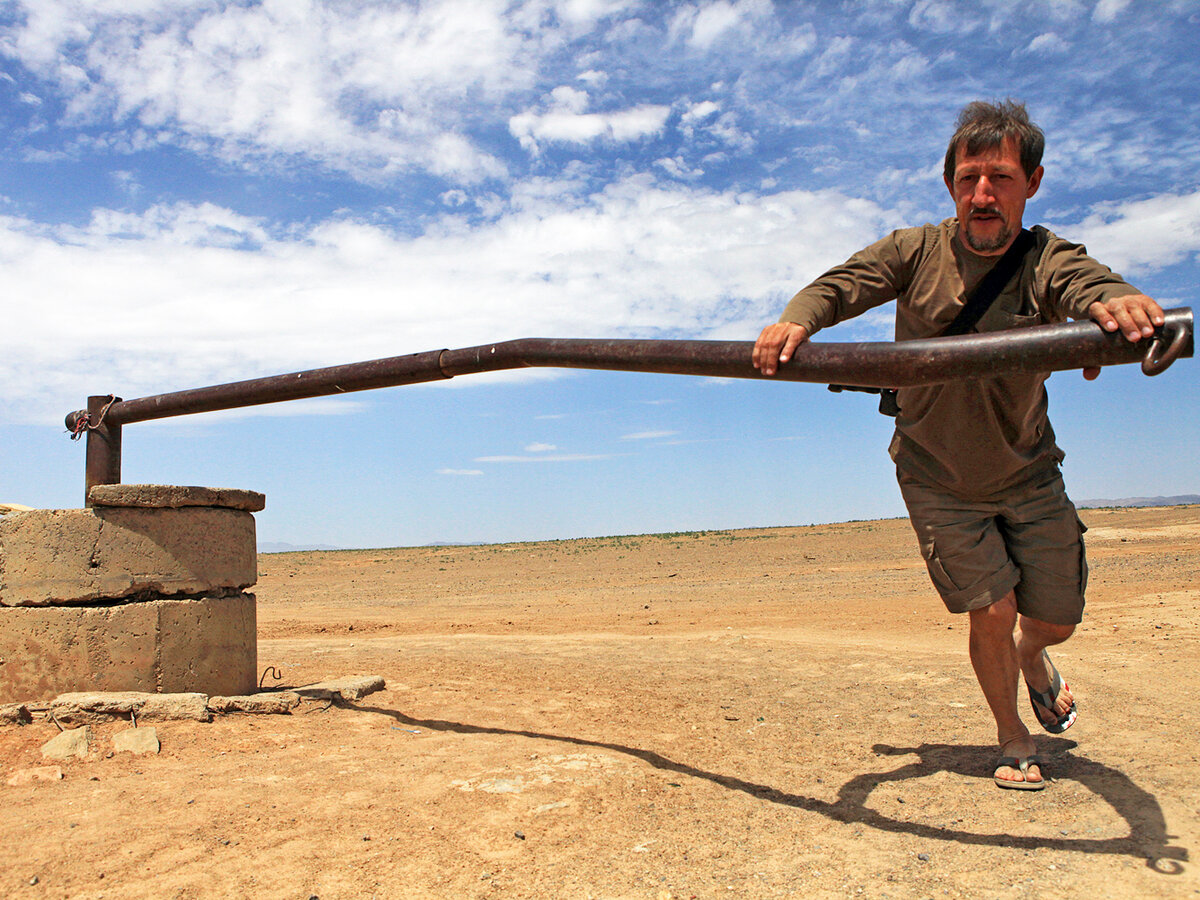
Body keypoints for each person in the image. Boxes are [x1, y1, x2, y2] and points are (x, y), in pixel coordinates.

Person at [752, 100, 1164, 791]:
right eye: (969, 177)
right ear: (951, 186)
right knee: (991, 610)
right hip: (935, 474)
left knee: (1053, 620)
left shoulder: (1045, 259)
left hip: (1029, 472)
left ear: (1031, 182)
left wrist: (1112, 307)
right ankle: (1012, 735)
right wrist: (797, 321)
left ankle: (1034, 656)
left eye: (1000, 178)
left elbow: (1088, 284)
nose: (982, 194)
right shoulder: (914, 250)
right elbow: (842, 285)